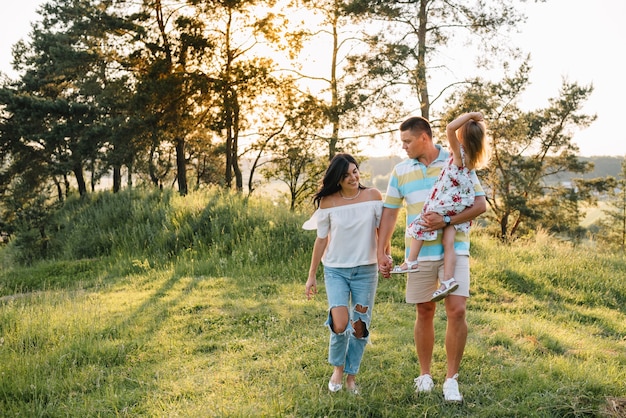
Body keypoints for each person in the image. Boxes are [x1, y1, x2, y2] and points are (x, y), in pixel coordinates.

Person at [377, 115, 487, 402]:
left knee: (457, 311)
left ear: (424, 137)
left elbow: (479, 204)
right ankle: (425, 374)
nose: (404, 147)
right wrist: (382, 250)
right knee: (424, 310)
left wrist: (447, 219)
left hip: (455, 248)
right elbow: (390, 212)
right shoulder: (401, 171)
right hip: (421, 252)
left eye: (407, 141)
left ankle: (452, 379)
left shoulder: (454, 159)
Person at [304, 153, 383, 394]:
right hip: (336, 270)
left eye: (355, 171)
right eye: (347, 174)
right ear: (337, 179)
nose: (353, 177)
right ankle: (337, 368)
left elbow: (383, 233)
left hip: (366, 271)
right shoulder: (328, 202)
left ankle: (351, 378)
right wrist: (312, 275)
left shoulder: (373, 197)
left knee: (359, 327)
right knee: (340, 323)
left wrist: (385, 256)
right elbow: (321, 240)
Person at [391, 112, 489, 303]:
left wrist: (471, 115)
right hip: (459, 206)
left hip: (446, 203)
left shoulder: (459, 154)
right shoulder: (472, 157)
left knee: (420, 224)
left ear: (462, 138)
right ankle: (448, 280)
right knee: (448, 243)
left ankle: (411, 261)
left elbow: (450, 127)